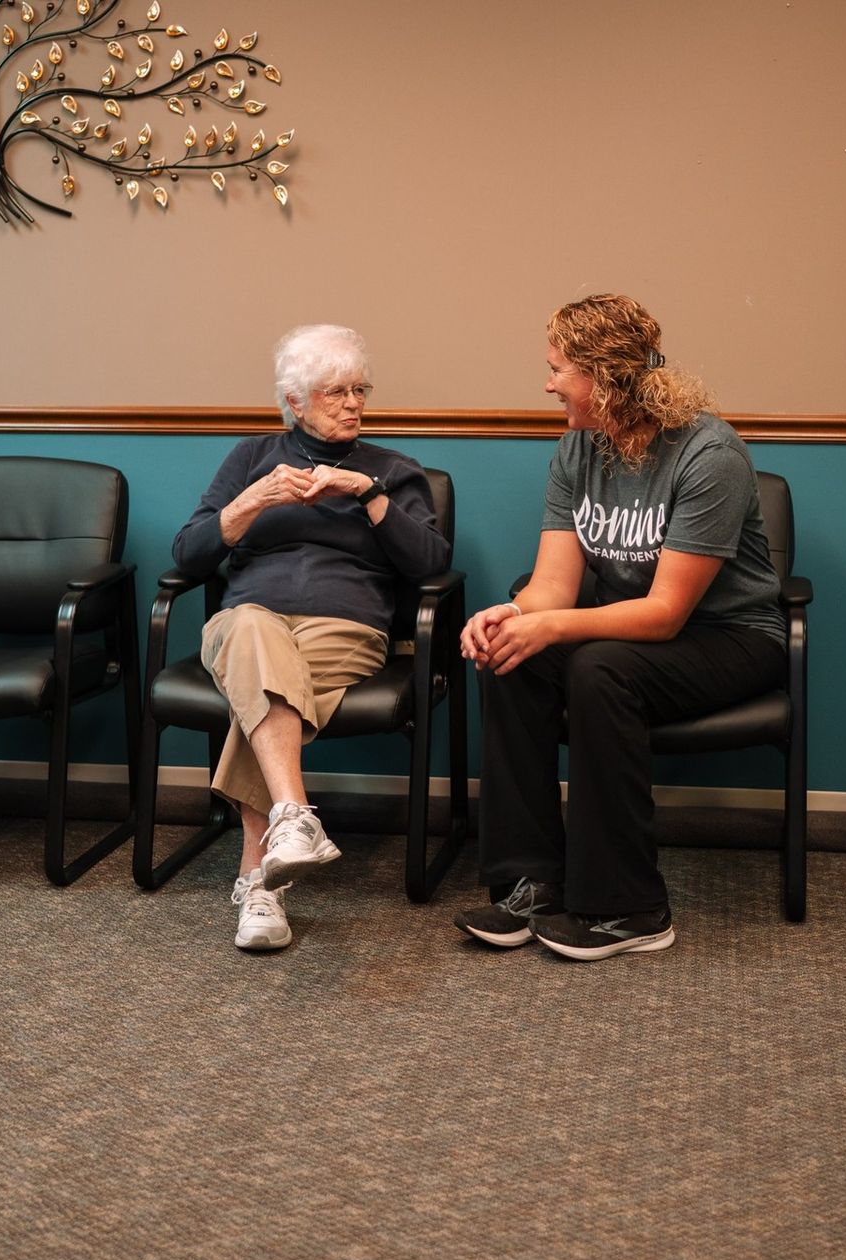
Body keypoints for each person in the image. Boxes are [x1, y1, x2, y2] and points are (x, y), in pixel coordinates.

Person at [456, 294, 788, 961]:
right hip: (626, 631)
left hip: (729, 637)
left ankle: (629, 907)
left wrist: (554, 628)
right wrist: (516, 615)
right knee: (513, 653)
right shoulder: (578, 451)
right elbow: (552, 585)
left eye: (558, 370)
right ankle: (532, 881)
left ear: (604, 378)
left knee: (596, 666)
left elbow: (666, 614)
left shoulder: (707, 455)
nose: (548, 383)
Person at [172, 325, 451, 952]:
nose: (353, 404)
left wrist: (369, 495)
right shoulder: (251, 458)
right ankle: (293, 823)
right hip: (247, 619)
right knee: (249, 630)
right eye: (334, 393)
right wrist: (252, 502)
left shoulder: (393, 470)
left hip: (345, 630)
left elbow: (431, 564)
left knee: (260, 686)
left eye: (359, 391)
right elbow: (188, 556)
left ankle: (261, 882)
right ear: (295, 401)